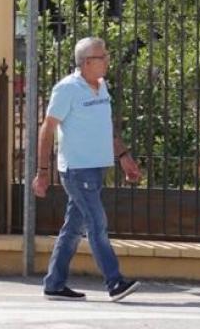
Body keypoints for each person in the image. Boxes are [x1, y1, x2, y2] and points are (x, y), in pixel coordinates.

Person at [34, 37, 142, 302]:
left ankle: (54, 284)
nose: (107, 61)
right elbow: (47, 129)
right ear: (86, 62)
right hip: (77, 170)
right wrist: (43, 171)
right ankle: (115, 282)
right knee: (97, 223)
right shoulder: (66, 89)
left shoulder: (102, 87)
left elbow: (105, 128)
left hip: (95, 170)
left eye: (106, 56)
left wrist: (124, 156)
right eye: (102, 57)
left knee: (73, 229)